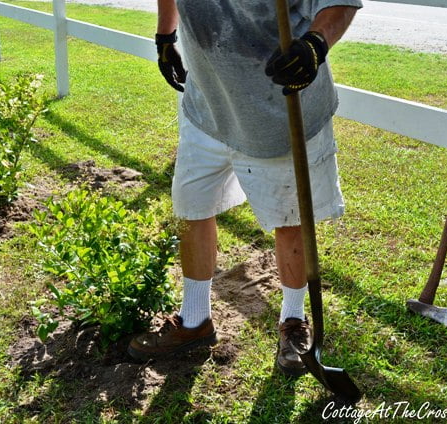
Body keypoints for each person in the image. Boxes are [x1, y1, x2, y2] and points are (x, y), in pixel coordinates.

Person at [128, 0, 362, 377]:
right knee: (192, 209)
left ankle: (293, 322)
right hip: (208, 106)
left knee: (289, 220)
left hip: (280, 112)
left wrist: (315, 44)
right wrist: (165, 35)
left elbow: (340, 3)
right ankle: (195, 321)